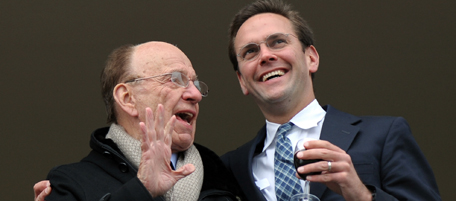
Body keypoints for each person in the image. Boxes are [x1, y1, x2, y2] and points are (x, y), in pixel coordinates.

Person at [220, 0, 441, 201]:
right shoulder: (231, 167)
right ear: (242, 81)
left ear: (311, 58)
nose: (266, 56)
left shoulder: (385, 134)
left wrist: (361, 194)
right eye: (250, 51)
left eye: (278, 41)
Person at [34, 41, 243, 201]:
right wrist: (141, 190)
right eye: (175, 79)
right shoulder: (69, 183)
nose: (195, 94)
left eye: (195, 83)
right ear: (128, 99)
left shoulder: (226, 178)